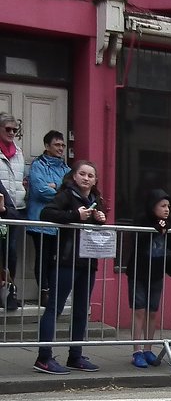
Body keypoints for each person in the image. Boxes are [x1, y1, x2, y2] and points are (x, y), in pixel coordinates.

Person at [33, 161, 107, 375]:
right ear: (74, 177)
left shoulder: (96, 199)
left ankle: (76, 355)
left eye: (90, 175)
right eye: (82, 174)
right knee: (55, 307)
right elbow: (47, 214)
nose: (86, 178)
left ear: (95, 180)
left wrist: (99, 218)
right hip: (66, 259)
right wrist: (75, 216)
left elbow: (98, 224)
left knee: (82, 309)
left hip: (88, 260)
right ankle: (43, 357)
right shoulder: (66, 195)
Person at [126, 189, 171, 368]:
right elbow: (138, 238)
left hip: (156, 272)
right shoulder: (142, 220)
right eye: (163, 206)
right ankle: (136, 350)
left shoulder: (169, 223)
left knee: (153, 312)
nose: (167, 209)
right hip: (139, 271)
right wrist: (156, 228)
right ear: (153, 206)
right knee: (139, 311)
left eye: (168, 206)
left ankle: (148, 348)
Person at [26, 130, 68, 309]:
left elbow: (72, 191)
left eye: (63, 145)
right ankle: (44, 292)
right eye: (57, 145)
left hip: (60, 221)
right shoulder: (38, 165)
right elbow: (39, 190)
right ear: (47, 146)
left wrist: (54, 187)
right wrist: (61, 192)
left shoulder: (66, 169)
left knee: (55, 259)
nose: (61, 148)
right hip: (40, 220)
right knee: (42, 258)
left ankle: (55, 292)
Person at [0, 113, 27, 310]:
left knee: (11, 254)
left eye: (14, 130)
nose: (11, 133)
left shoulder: (18, 152)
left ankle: (9, 293)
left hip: (15, 211)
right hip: (0, 210)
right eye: (7, 129)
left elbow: (21, 180)